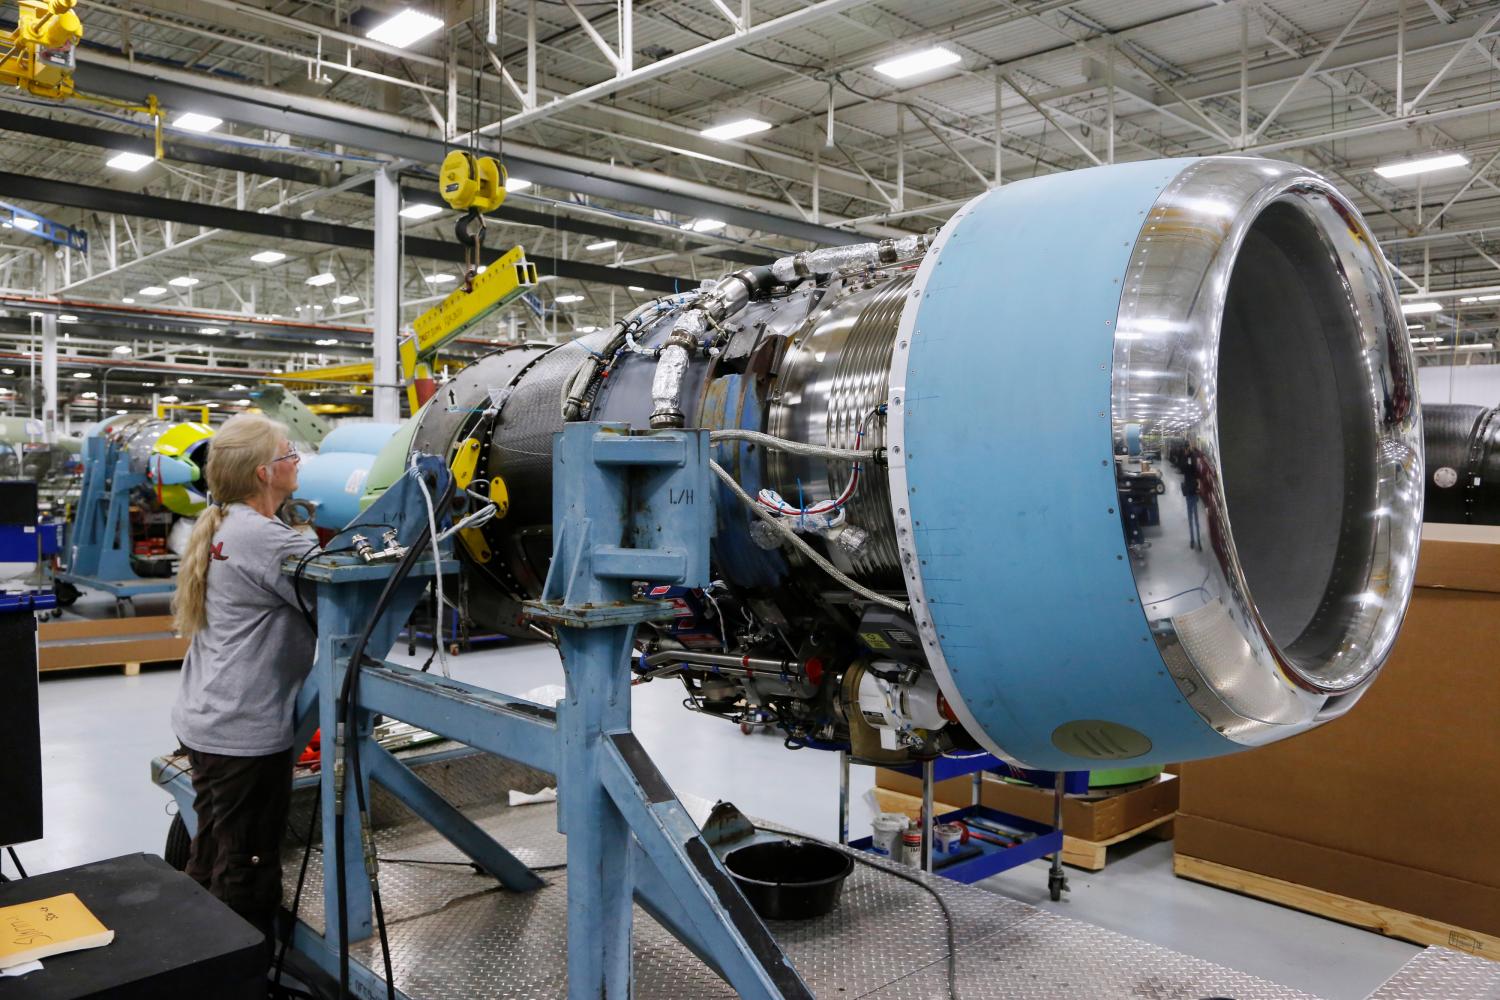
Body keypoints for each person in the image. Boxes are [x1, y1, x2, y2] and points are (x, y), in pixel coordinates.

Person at [169, 414, 317, 965]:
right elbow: (338, 591)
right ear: (265, 472)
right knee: (247, 871)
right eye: (289, 453)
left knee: (212, 853)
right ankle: (235, 974)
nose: (296, 461)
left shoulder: (224, 521)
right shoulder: (264, 538)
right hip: (242, 731)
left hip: (209, 715)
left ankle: (198, 965)